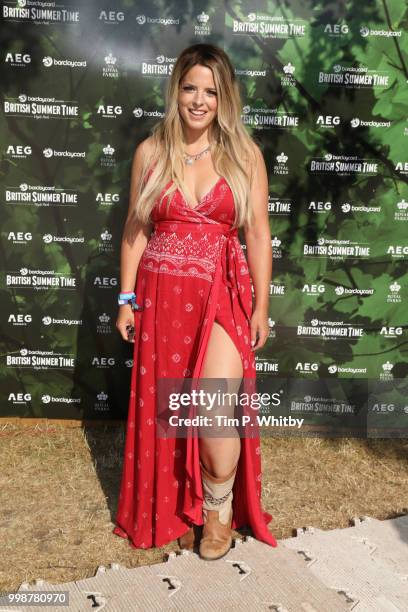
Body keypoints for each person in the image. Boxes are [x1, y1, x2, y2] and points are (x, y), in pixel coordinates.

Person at [113, 43, 277, 560]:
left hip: (221, 291)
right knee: (172, 409)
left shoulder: (244, 155)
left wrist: (261, 307)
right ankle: (182, 505)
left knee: (212, 408)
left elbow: (256, 234)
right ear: (176, 91)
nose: (199, 100)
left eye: (211, 91)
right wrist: (125, 298)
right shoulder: (150, 152)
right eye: (190, 88)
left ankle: (218, 508)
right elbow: (135, 232)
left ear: (224, 98)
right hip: (161, 296)